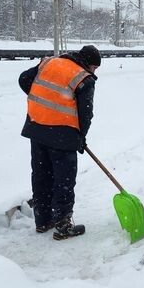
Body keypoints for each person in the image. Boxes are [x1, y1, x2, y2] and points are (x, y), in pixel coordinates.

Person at [18, 45, 101, 240]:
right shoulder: (83, 78)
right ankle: (63, 224)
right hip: (63, 135)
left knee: (41, 175)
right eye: (95, 67)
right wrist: (81, 137)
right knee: (63, 180)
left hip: (37, 128)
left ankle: (43, 220)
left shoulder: (50, 62)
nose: (94, 71)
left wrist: (42, 100)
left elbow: (23, 79)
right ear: (88, 63)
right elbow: (85, 113)